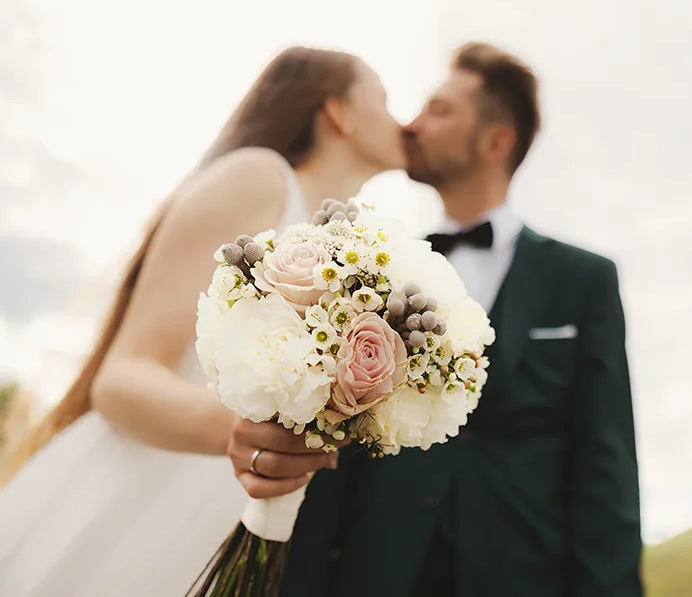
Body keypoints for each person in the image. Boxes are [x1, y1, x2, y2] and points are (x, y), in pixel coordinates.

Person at [0, 46, 405, 597]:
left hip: (223, 516)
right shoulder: (259, 177)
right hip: (136, 497)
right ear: (340, 111)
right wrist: (240, 433)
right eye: (383, 99)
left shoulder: (355, 248)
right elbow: (121, 377)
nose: (402, 122)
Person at [247, 42, 644, 596]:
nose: (412, 125)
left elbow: (605, 459)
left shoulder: (583, 280)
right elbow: (338, 447)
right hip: (377, 575)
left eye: (439, 110)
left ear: (494, 141)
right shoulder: (375, 271)